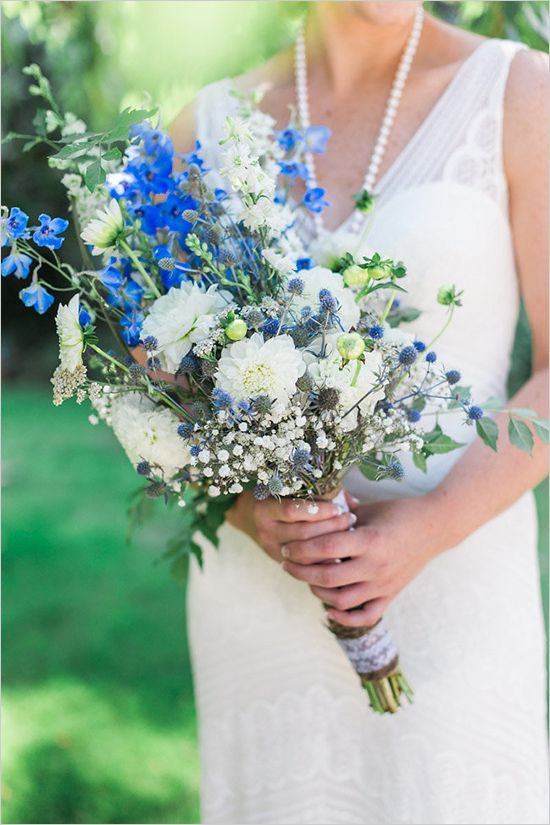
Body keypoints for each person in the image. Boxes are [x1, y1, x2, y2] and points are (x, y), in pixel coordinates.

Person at [169, 3, 549, 822]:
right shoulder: (200, 125)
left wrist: (427, 527)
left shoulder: (517, 93)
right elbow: (159, 391)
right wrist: (247, 512)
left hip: (460, 594)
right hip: (258, 608)